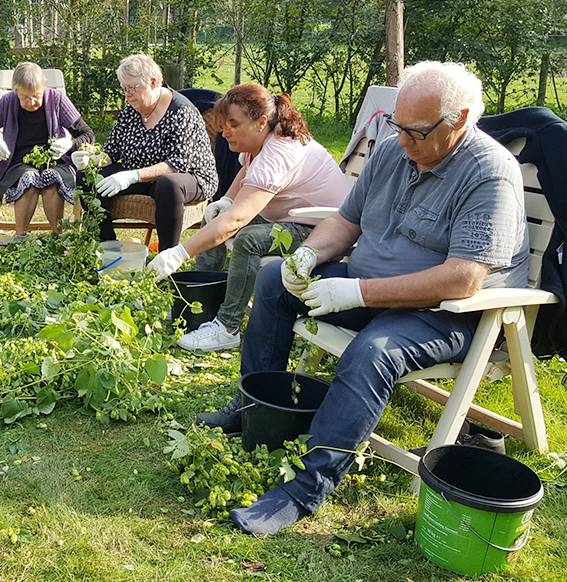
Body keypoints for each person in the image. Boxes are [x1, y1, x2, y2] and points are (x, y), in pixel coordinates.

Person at [197, 62, 530, 536]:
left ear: (459, 121)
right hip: (368, 287)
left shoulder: (489, 173)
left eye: (416, 131)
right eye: (398, 126)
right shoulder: (395, 152)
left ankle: (305, 487)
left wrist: (356, 290)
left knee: (372, 351)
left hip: (443, 313)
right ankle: (255, 412)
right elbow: (345, 222)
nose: (404, 140)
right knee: (272, 280)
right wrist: (307, 256)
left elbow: (463, 278)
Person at [147, 84, 350, 352]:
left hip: (322, 229)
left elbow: (236, 221)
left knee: (247, 239)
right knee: (214, 221)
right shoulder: (261, 140)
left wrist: (178, 254)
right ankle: (204, 305)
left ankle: (228, 327)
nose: (224, 131)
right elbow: (245, 172)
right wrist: (227, 200)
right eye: (223, 123)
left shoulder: (278, 152)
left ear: (260, 122)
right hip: (290, 219)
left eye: (233, 124)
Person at [72, 54, 217, 247]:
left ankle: (167, 258)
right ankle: (106, 246)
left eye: (132, 87)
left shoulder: (181, 111)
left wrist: (130, 176)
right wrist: (90, 160)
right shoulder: (131, 111)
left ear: (154, 82)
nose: (127, 95)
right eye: (124, 89)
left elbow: (176, 165)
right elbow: (111, 152)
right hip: (142, 175)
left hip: (189, 178)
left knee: (168, 184)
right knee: (87, 176)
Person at [0, 62, 95, 236]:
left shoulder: (57, 99)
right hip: (20, 164)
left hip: (56, 161)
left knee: (52, 182)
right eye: (25, 97)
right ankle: (20, 238)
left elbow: (87, 134)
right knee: (28, 180)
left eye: (36, 96)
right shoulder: (8, 102)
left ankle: (59, 239)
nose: (32, 102)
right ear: (16, 91)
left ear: (44, 88)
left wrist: (70, 144)